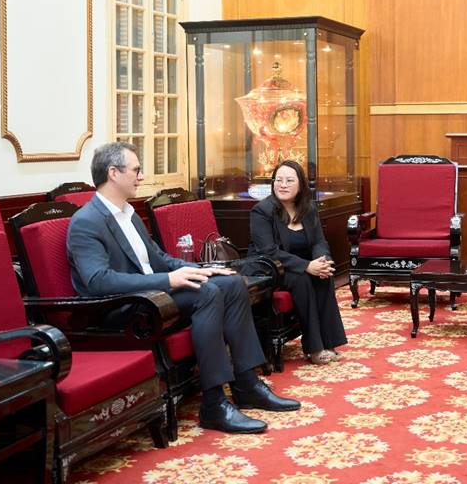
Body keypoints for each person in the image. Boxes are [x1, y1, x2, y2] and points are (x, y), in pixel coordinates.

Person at [67, 142, 300, 434]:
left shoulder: (128, 213)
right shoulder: (86, 222)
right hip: (124, 309)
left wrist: (201, 269)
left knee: (230, 282)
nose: (141, 176)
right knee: (207, 292)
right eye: (136, 170)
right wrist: (168, 280)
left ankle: (247, 384)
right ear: (113, 173)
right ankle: (214, 404)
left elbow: (158, 258)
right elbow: (99, 281)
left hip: (154, 296)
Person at [248, 160, 347, 365]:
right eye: (279, 180)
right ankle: (314, 347)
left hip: (299, 265)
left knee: (324, 274)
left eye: (289, 180)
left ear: (300, 184)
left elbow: (319, 241)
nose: (283, 185)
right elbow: (268, 251)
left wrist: (322, 261)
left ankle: (329, 342)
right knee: (303, 278)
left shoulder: (308, 209)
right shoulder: (262, 211)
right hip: (270, 267)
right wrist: (307, 266)